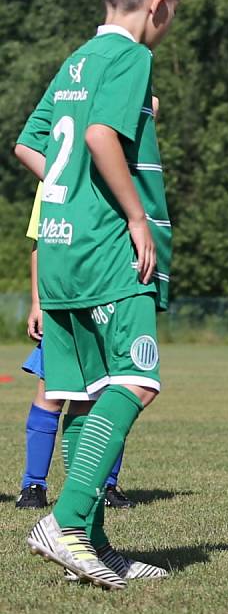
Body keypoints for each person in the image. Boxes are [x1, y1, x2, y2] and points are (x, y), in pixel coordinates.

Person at [13, 0, 187, 588]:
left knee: (87, 396)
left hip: (58, 247)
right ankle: (64, 522)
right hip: (106, 251)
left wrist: (69, 191)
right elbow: (95, 135)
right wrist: (134, 216)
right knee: (136, 381)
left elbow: (32, 145)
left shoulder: (79, 60)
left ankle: (90, 545)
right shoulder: (131, 56)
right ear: (160, 6)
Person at [17, 183, 133, 510]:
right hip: (62, 301)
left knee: (105, 397)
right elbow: (41, 243)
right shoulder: (52, 178)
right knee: (51, 395)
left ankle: (104, 485)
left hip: (106, 299)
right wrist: (38, 302)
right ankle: (33, 487)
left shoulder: (116, 174)